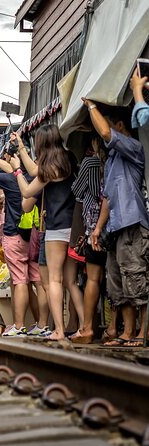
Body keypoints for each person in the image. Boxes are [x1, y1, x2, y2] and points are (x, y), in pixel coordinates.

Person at [11, 124, 83, 341]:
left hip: (56, 229)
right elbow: (35, 170)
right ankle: (85, 327)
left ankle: (59, 330)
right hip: (73, 227)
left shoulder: (50, 168)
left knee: (53, 280)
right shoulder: (68, 160)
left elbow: (26, 190)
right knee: (71, 282)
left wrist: (16, 170)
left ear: (41, 144)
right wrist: (22, 149)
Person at [86, 99, 148, 347]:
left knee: (137, 279)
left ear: (120, 125)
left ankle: (142, 334)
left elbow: (104, 131)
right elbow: (107, 198)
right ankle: (128, 333)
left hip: (132, 223)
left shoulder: (133, 147)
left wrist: (91, 106)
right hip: (115, 227)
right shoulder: (111, 159)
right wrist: (98, 228)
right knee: (118, 284)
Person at [0, 137, 47, 337]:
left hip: (15, 234)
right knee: (38, 281)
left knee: (20, 280)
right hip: (35, 234)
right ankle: (42, 324)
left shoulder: (9, 179)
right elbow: (12, 168)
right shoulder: (36, 175)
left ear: (12, 160)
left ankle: (18, 326)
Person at [70, 135, 107, 344]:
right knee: (110, 280)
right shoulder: (111, 160)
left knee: (93, 278)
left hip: (93, 222)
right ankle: (113, 327)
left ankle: (87, 328)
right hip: (113, 224)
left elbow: (75, 190)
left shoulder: (90, 162)